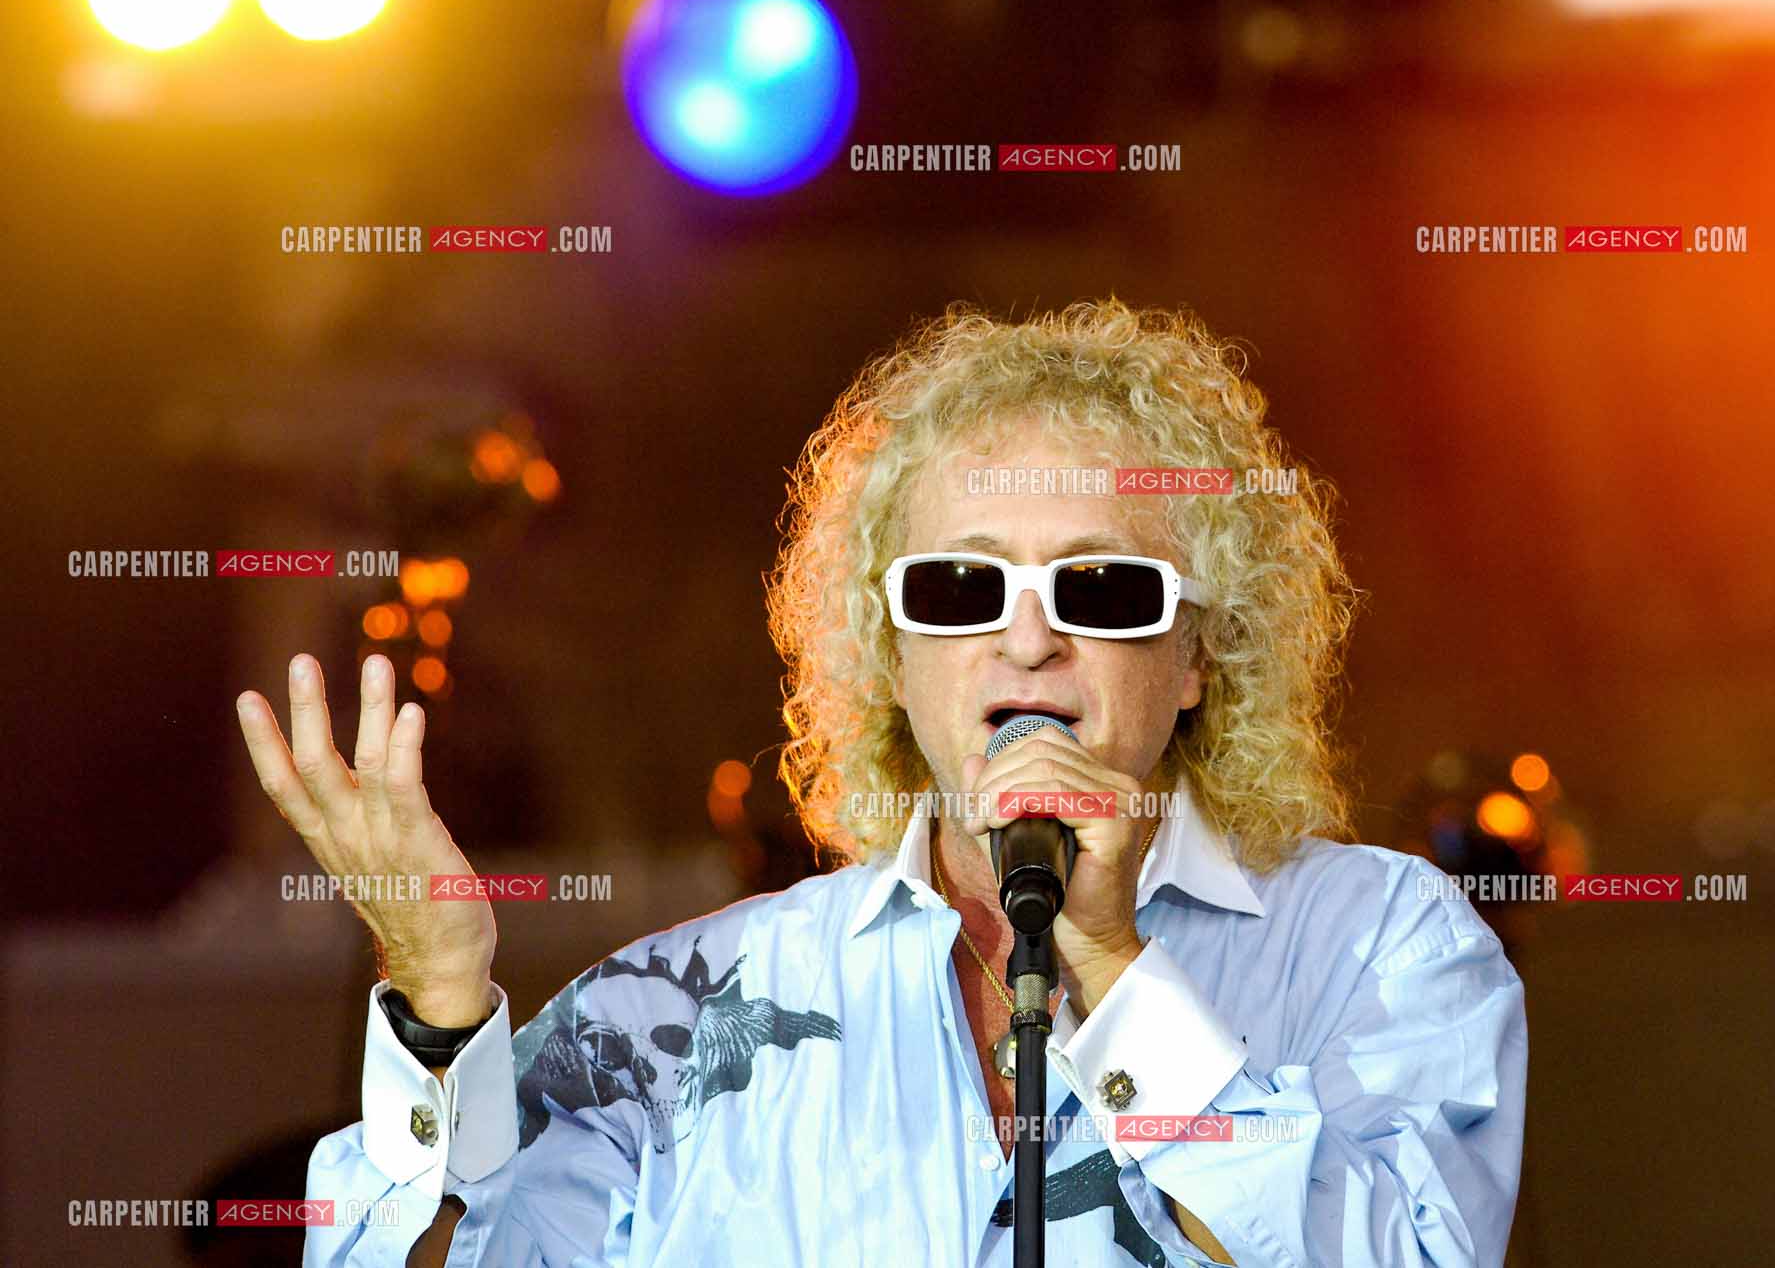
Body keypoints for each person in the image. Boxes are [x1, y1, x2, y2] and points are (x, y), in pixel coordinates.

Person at [239, 299, 1527, 1266]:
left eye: (1102, 587)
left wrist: (1114, 967)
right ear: (890, 656)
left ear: (1198, 655)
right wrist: (439, 1001)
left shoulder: (1381, 944)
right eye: (962, 588)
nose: (1030, 640)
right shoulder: (676, 1010)